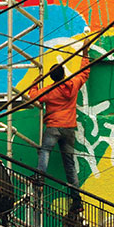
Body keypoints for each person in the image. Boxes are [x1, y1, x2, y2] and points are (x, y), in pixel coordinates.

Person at [29, 34, 92, 213]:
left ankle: (40, 178)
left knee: (45, 151)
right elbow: (84, 72)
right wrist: (85, 53)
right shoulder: (73, 84)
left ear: (52, 77)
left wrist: (34, 84)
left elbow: (33, 96)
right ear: (64, 73)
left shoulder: (49, 90)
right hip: (69, 128)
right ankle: (76, 200)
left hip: (54, 127)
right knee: (69, 165)